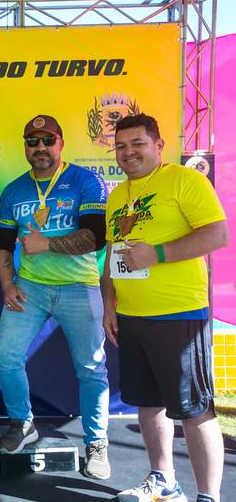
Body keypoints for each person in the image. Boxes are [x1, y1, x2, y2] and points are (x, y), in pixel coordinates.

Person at [103, 114, 228, 502]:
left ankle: (208, 496)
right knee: (147, 403)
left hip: (179, 315)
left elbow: (218, 234)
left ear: (158, 145)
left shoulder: (184, 180)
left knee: (194, 410)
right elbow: (112, 255)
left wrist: (157, 254)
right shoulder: (117, 195)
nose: (128, 152)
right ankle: (164, 482)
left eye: (137, 143)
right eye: (121, 146)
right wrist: (109, 305)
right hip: (131, 316)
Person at [0, 114, 111, 479]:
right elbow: (1, 244)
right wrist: (8, 284)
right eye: (33, 141)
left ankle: (97, 442)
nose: (40, 147)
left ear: (61, 143)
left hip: (80, 286)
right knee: (6, 359)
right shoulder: (13, 191)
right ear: (25, 146)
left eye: (48, 140)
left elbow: (96, 237)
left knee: (91, 368)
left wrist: (47, 244)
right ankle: (23, 423)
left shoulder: (85, 180)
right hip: (30, 287)